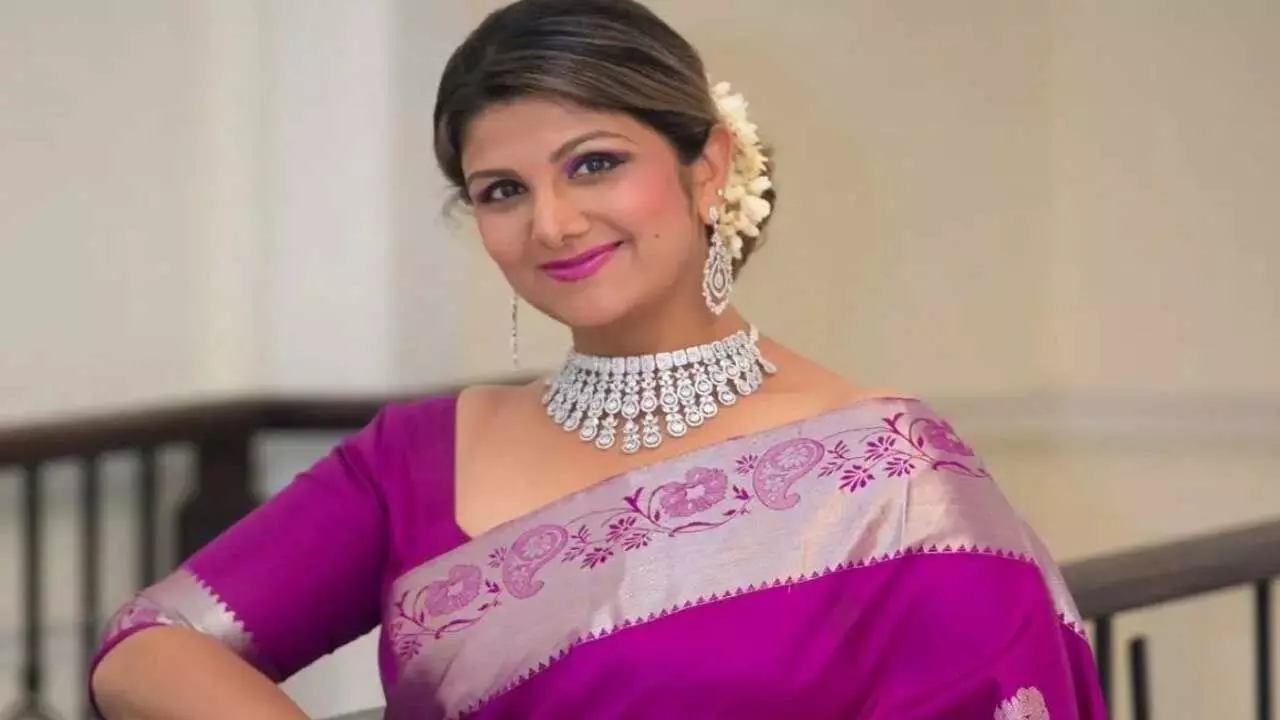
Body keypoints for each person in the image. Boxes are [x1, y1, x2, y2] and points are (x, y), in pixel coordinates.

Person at [89, 1, 1107, 718]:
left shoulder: (894, 484)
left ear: (706, 167)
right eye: (501, 191)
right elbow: (147, 644)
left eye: (594, 164)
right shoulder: (418, 457)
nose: (553, 222)